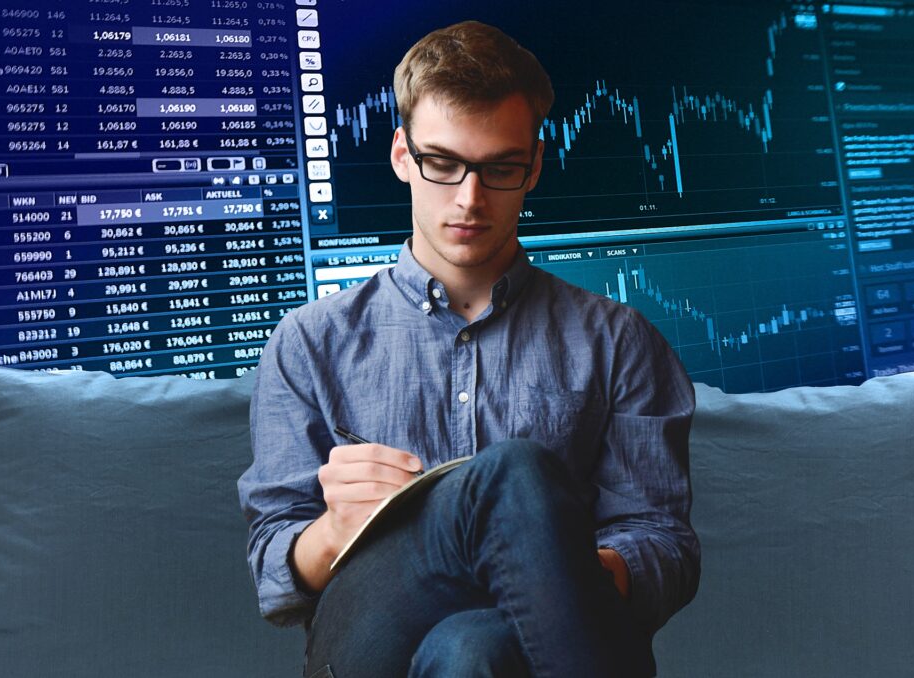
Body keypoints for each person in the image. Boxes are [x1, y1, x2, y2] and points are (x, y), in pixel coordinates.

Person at [239, 21, 699, 678]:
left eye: (499, 168)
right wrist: (334, 530)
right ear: (402, 155)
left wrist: (549, 567)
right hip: (366, 641)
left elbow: (666, 548)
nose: (469, 197)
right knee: (514, 475)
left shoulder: (619, 341)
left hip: (518, 647)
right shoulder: (309, 341)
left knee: (473, 650)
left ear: (534, 165)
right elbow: (272, 565)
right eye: (442, 163)